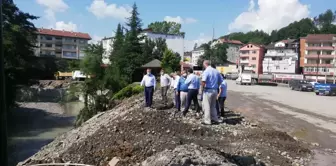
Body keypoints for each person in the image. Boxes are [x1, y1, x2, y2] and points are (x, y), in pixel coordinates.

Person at [201, 60, 223, 125]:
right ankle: (215, 118)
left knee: (207, 106)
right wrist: (216, 85)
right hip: (215, 90)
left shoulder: (206, 71)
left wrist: (202, 89)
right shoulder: (216, 71)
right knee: (213, 106)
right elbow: (221, 80)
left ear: (205, 64)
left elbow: (203, 81)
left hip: (208, 91)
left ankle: (207, 121)